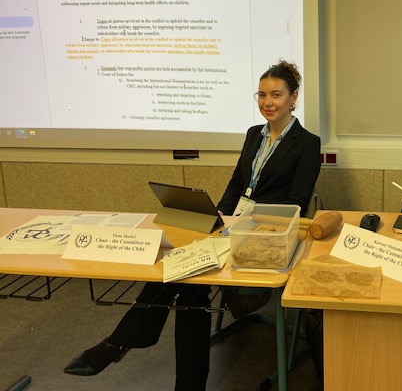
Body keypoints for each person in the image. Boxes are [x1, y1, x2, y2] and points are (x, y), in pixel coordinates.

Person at [64, 60, 321, 390]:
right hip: (231, 229)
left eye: (276, 95)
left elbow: (295, 204)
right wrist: (219, 216)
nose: (267, 102)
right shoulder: (253, 135)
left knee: (189, 282)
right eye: (261, 95)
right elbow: (237, 183)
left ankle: (121, 343)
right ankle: (174, 374)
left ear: (293, 97)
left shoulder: (307, 143)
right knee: (188, 281)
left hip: (266, 238)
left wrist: (244, 224)